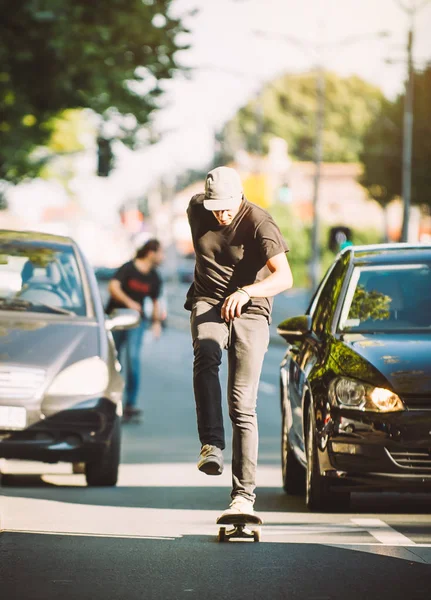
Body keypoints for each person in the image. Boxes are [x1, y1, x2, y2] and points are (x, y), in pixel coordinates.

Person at [185, 166, 293, 517]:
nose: (221, 214)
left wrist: (247, 292)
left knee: (242, 405)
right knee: (206, 351)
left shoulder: (260, 222)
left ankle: (243, 495)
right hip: (208, 300)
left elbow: (284, 277)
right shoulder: (196, 208)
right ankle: (211, 445)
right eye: (215, 206)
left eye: (227, 207)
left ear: (241, 197)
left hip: (251, 309)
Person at [106, 239, 164, 421]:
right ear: (151, 253)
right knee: (111, 359)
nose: (163, 257)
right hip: (116, 318)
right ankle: (107, 400)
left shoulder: (154, 276)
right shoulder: (128, 268)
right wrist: (129, 302)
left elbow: (155, 301)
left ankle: (130, 404)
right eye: (161, 253)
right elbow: (113, 287)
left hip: (136, 322)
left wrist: (156, 322)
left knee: (133, 359)